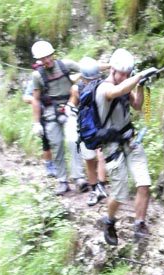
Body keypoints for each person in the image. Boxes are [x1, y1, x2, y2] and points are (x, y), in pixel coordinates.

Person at [95, 48, 158, 245]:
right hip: (112, 146)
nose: (124, 77)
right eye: (121, 73)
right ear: (112, 70)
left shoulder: (126, 84)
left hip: (130, 140)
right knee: (120, 193)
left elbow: (138, 105)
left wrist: (141, 85)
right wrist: (138, 76)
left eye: (127, 74)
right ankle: (109, 220)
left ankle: (139, 224)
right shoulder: (103, 89)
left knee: (144, 183)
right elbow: (117, 91)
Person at [30, 40, 87, 195]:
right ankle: (62, 181)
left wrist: (109, 67)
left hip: (69, 108)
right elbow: (35, 99)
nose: (47, 60)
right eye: (43, 59)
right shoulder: (37, 75)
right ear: (39, 61)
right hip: (50, 113)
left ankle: (79, 177)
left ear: (52, 54)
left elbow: (87, 70)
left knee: (73, 140)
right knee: (56, 145)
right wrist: (36, 123)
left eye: (48, 56)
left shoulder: (65, 65)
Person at [67, 57, 109, 206]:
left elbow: (70, 107)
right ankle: (97, 187)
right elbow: (71, 105)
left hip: (94, 126)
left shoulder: (100, 85)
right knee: (94, 157)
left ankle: (98, 187)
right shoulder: (81, 88)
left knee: (96, 157)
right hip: (93, 126)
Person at [22, 71, 55, 177]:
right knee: (46, 140)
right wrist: (36, 101)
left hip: (57, 110)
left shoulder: (55, 75)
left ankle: (58, 164)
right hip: (43, 114)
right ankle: (49, 165)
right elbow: (26, 97)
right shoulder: (35, 80)